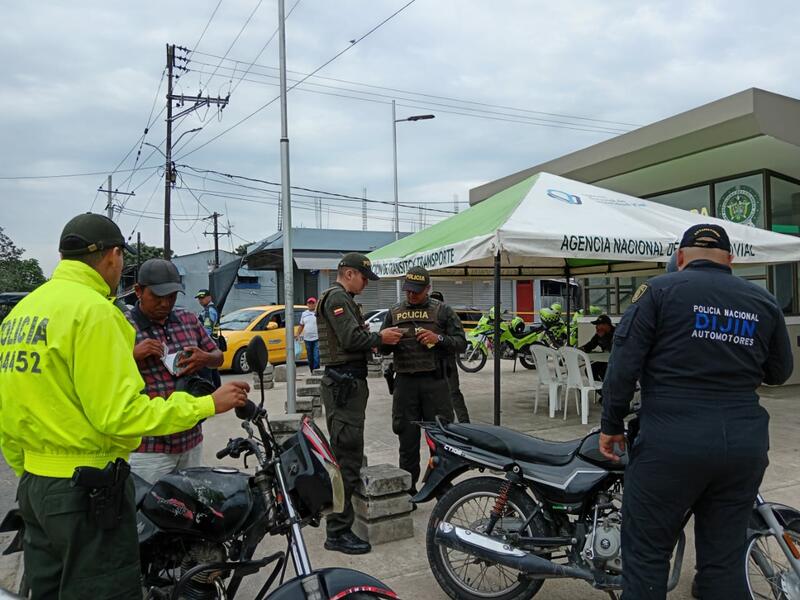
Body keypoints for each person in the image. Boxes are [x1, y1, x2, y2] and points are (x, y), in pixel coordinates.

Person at [0, 213, 249, 599]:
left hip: (35, 485)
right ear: (114, 256)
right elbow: (120, 416)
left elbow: (8, 409)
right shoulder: (97, 313)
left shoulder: (22, 314)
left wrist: (32, 470)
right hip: (87, 490)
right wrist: (204, 406)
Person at [598, 224, 793, 600]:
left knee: (648, 557)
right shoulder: (762, 300)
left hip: (671, 442)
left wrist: (611, 425)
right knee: (723, 562)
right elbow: (779, 372)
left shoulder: (657, 291)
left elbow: (623, 367)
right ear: (731, 260)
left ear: (681, 257)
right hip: (742, 444)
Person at [316, 253, 403, 555]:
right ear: (349, 273)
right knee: (346, 461)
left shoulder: (344, 298)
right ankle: (338, 532)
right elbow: (352, 339)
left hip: (349, 384)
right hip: (343, 386)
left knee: (347, 457)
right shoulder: (336, 299)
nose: (366, 283)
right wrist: (382, 338)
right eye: (364, 277)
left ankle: (340, 524)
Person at [126, 259, 226, 484]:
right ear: (139, 291)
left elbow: (218, 357)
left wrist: (204, 358)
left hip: (190, 438)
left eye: (171, 297)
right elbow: (105, 372)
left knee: (190, 508)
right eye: (158, 297)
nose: (165, 303)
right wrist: (132, 354)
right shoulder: (123, 325)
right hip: (148, 447)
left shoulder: (188, 320)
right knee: (147, 511)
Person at [381, 267, 466, 493]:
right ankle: (408, 492)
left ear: (428, 289)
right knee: (406, 440)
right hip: (405, 384)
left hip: (435, 383)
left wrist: (437, 338)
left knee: (440, 439)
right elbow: (381, 347)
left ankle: (441, 490)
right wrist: (386, 340)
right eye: (408, 290)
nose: (411, 295)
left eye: (416, 292)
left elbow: (461, 343)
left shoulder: (443, 311)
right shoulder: (394, 313)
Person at [430, 291, 469, 423]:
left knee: (453, 393)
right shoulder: (428, 318)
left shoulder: (448, 316)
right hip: (431, 362)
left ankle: (464, 425)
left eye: (438, 302)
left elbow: (460, 343)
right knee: (439, 397)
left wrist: (440, 338)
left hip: (447, 361)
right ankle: (444, 425)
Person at [195, 288, 222, 388]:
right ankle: (217, 390)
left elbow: (207, 330)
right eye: (199, 298)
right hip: (214, 343)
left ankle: (210, 392)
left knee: (206, 373)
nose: (200, 300)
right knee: (214, 371)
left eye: (203, 298)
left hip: (208, 345)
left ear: (209, 297)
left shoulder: (208, 311)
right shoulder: (212, 309)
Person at [580, 314, 615, 380]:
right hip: (605, 360)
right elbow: (591, 345)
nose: (596, 327)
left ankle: (607, 388)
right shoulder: (599, 334)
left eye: (599, 325)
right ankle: (599, 389)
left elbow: (613, 349)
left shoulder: (616, 333)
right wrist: (582, 349)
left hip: (616, 362)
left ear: (606, 325)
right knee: (590, 369)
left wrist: (604, 337)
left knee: (604, 371)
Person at [297, 296, 320, 373]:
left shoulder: (318, 312)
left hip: (317, 338)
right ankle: (311, 370)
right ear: (307, 304)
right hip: (307, 339)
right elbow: (301, 325)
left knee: (316, 355)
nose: (310, 305)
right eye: (309, 303)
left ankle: (316, 371)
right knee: (310, 357)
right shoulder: (304, 314)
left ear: (315, 304)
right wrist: (297, 334)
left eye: (312, 303)